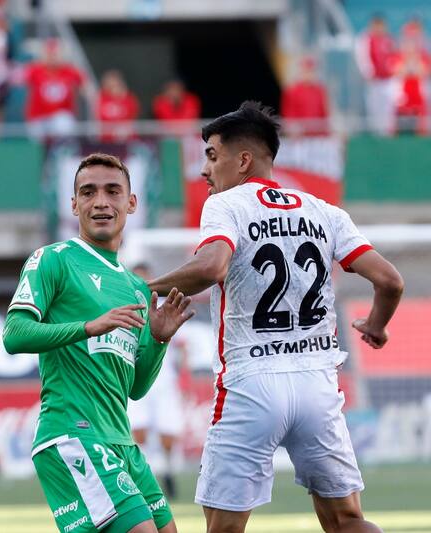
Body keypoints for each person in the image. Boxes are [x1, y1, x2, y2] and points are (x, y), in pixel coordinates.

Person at [147, 101, 404, 533]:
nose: (204, 171)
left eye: (212, 156)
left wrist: (146, 287)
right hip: (316, 385)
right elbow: (391, 281)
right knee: (348, 521)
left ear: (243, 160)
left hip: (251, 383)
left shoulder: (227, 205)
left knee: (224, 528)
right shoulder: (324, 211)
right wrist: (376, 325)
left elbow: (212, 267)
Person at [3, 153, 195, 533]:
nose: (101, 202)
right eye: (88, 192)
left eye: (113, 191)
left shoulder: (136, 287)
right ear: (74, 204)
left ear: (132, 202)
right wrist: (88, 326)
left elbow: (136, 388)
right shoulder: (53, 260)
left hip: (121, 441)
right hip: (72, 434)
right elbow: (14, 334)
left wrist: (157, 340)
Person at [126, 264, 184, 502]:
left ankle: (168, 471)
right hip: (137, 377)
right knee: (137, 431)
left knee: (167, 433)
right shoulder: (126, 310)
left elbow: (182, 344)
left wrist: (183, 372)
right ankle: (143, 477)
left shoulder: (166, 308)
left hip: (163, 380)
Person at [24, 38, 85, 138]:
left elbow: (84, 86)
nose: (52, 58)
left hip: (61, 115)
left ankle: (64, 152)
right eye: (49, 54)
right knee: (35, 135)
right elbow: (20, 80)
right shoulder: (35, 70)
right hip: (38, 115)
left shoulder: (69, 71)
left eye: (55, 54)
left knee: (64, 125)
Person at [355, 14, 396, 135]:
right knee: (374, 108)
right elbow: (362, 59)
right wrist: (368, 73)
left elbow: (393, 58)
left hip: (388, 80)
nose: (379, 28)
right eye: (376, 25)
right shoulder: (365, 39)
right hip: (374, 81)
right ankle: (376, 133)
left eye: (381, 25)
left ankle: (388, 133)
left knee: (388, 108)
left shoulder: (389, 39)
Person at [280, 56, 330, 136]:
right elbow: (289, 113)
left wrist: (326, 132)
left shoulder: (320, 90)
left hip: (317, 135)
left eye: (311, 71)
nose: (309, 74)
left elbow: (323, 113)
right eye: (306, 71)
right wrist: (294, 130)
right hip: (300, 136)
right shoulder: (292, 91)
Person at [96, 70, 139, 142]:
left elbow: (132, 114)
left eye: (114, 82)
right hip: (106, 139)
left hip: (126, 139)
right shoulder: (101, 97)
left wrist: (121, 97)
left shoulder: (128, 98)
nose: (112, 84)